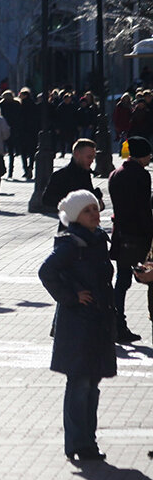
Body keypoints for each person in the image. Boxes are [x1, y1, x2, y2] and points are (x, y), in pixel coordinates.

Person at [38, 190, 117, 463]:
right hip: (78, 325)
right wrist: (71, 297)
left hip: (98, 322)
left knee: (91, 385)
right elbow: (45, 272)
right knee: (80, 384)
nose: (94, 214)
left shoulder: (96, 240)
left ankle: (88, 441)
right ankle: (77, 443)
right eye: (87, 211)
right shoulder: (71, 243)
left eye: (95, 209)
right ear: (74, 216)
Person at [106, 135, 152, 344]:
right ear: (142, 156)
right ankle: (118, 325)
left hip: (121, 233)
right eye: (148, 155)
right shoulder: (141, 175)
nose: (150, 158)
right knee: (140, 278)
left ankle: (117, 323)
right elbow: (143, 208)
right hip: (137, 235)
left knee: (122, 280)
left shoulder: (116, 173)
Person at [41, 139, 103, 213]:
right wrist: (72, 202)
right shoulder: (61, 175)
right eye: (89, 157)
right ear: (76, 154)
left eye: (93, 157)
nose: (92, 161)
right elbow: (47, 199)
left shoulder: (85, 173)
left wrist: (97, 199)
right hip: (70, 222)